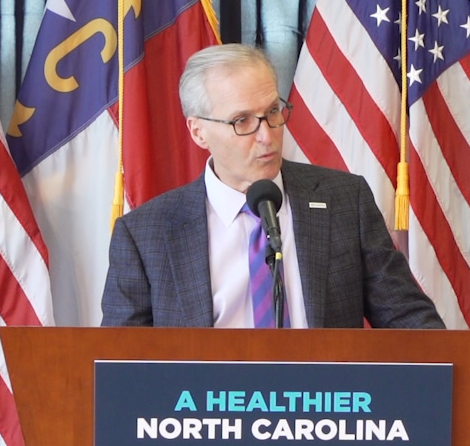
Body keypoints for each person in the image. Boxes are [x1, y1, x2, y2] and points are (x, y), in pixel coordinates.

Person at [101, 44, 443, 330]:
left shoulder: (343, 202)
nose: (267, 136)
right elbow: (121, 363)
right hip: (204, 408)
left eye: (273, 112)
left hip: (324, 406)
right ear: (198, 131)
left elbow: (409, 320)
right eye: (242, 121)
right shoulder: (146, 234)